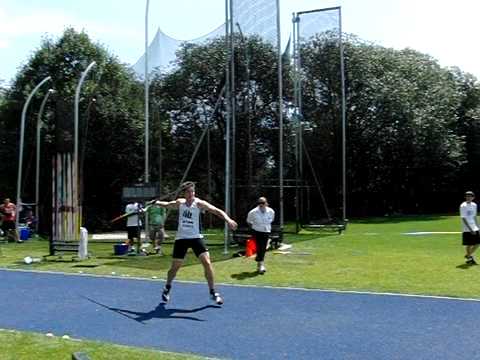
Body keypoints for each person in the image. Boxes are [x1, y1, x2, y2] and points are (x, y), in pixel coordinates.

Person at [154, 181, 237, 305]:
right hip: (181, 239)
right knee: (174, 268)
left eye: (192, 191)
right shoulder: (180, 203)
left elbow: (217, 211)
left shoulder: (199, 204)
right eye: (188, 192)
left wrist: (228, 219)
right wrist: (156, 202)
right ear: (184, 193)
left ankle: (213, 292)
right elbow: (167, 205)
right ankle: (167, 287)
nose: (191, 194)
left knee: (207, 263)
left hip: (195, 238)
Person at [246, 196, 275, 274]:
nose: (261, 204)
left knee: (263, 248)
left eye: (262, 203)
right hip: (257, 231)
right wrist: (254, 227)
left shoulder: (271, 211)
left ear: (266, 203)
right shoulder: (253, 212)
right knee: (260, 247)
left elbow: (271, 219)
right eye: (259, 203)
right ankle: (261, 265)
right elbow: (248, 221)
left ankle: (259, 262)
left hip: (266, 231)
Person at [460, 191, 480, 265]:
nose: (468, 197)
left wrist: (478, 227)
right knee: (469, 244)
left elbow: (474, 216)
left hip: (474, 226)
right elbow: (463, 218)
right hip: (467, 228)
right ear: (465, 197)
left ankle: (468, 255)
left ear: (473, 197)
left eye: (470, 196)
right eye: (467, 196)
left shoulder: (474, 205)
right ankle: (470, 258)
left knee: (477, 243)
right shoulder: (463, 206)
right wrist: (470, 229)